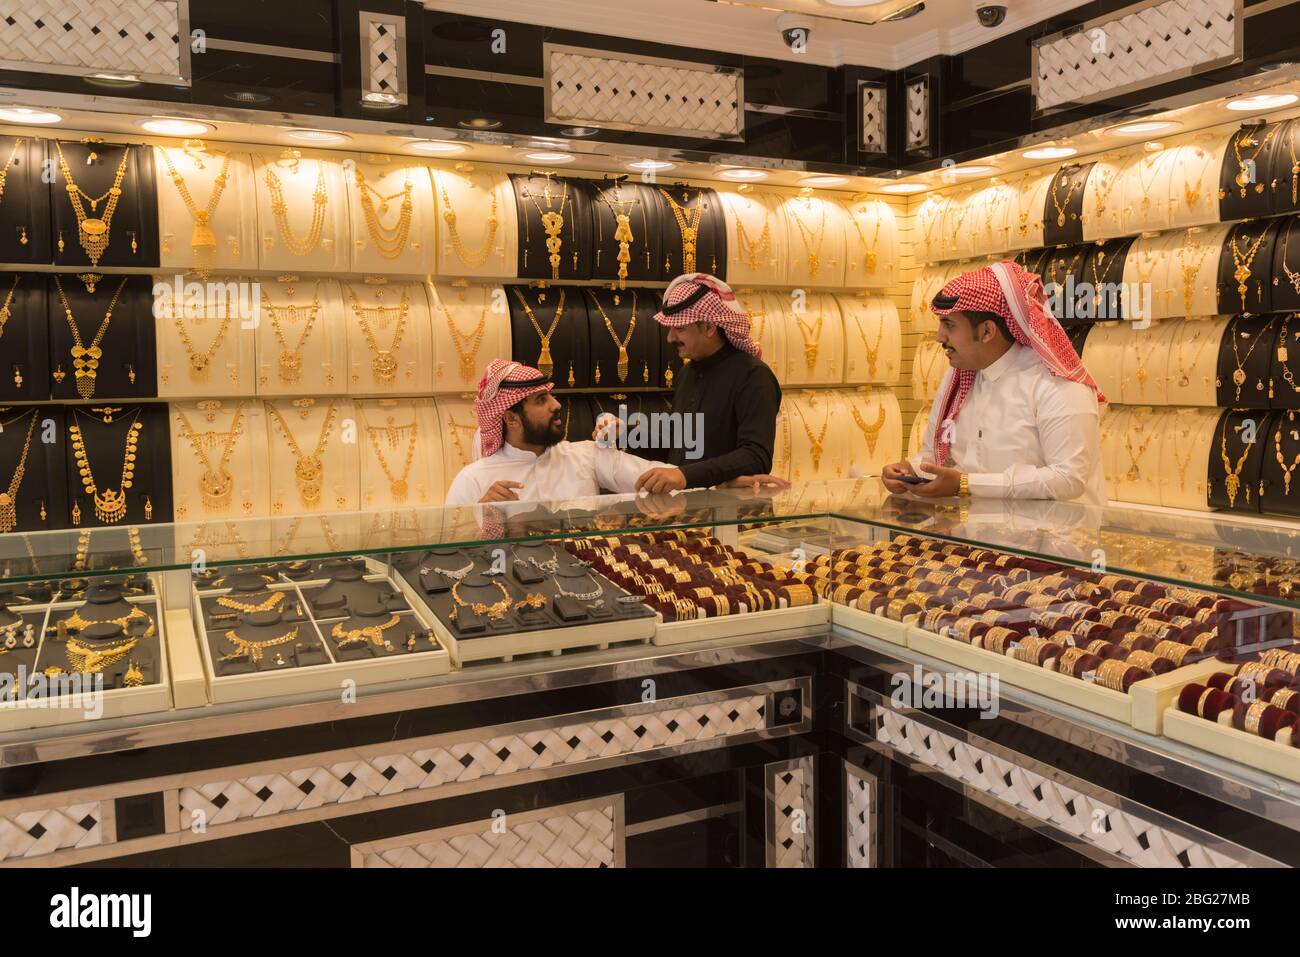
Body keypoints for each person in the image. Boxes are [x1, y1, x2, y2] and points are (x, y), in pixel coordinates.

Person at [882, 260, 1107, 507]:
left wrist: (965, 484)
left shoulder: (1055, 384)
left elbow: (1068, 479)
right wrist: (910, 471)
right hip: (978, 538)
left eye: (949, 325)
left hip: (1053, 540)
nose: (939, 337)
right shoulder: (958, 380)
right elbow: (937, 457)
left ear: (987, 332)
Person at [633, 273, 785, 494]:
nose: (670, 338)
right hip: (687, 513)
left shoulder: (754, 376)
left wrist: (685, 475)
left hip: (734, 518)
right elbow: (681, 440)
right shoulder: (687, 373)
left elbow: (755, 456)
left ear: (708, 327)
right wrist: (623, 434)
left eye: (680, 328)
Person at [444, 359, 667, 506]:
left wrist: (686, 474)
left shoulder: (586, 456)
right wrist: (483, 515)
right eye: (542, 400)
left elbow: (662, 479)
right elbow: (447, 553)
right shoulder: (473, 480)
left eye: (551, 395)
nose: (556, 404)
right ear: (511, 418)